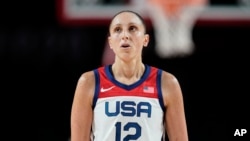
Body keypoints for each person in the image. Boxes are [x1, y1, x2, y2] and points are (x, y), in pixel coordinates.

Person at [70, 10, 188, 141]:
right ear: (110, 42)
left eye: (132, 28)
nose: (125, 35)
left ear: (145, 39)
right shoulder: (89, 82)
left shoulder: (167, 83)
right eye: (118, 30)